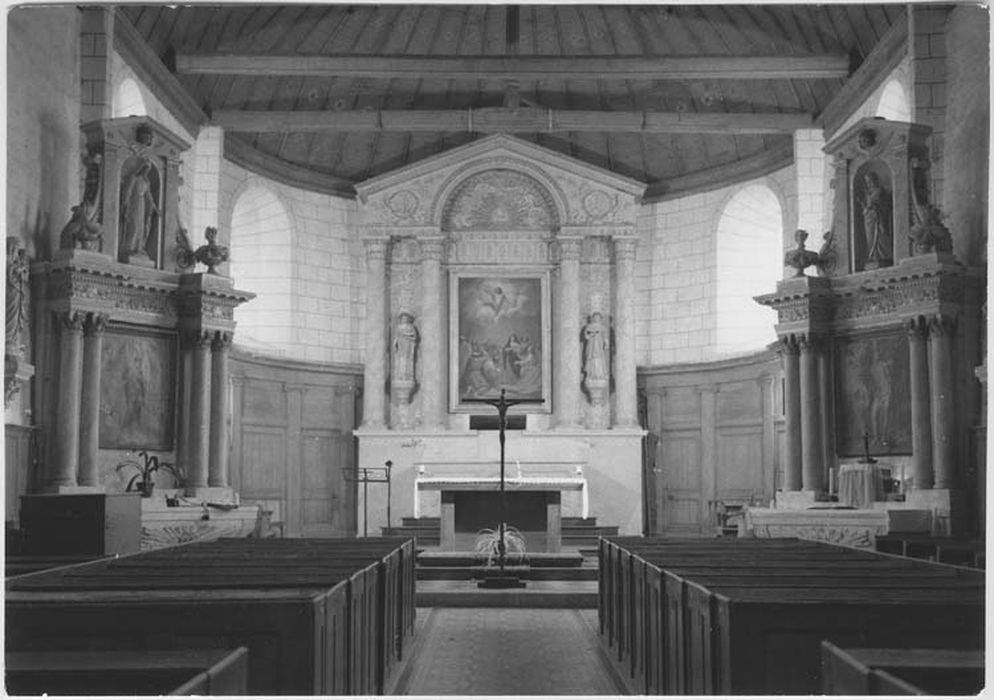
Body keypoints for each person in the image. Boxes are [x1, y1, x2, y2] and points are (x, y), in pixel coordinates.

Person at [120, 159, 159, 256]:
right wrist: (125, 204)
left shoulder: (147, 182)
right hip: (133, 203)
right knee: (133, 225)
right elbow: (128, 192)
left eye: (148, 170)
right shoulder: (134, 178)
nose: (147, 172)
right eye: (146, 169)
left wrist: (155, 208)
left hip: (141, 205)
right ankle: (129, 247)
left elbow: (149, 196)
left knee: (141, 227)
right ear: (142, 169)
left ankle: (138, 247)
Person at [861, 172, 892, 269]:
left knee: (880, 237)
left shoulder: (879, 191)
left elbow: (875, 204)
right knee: (870, 239)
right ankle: (874, 256)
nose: (869, 184)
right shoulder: (870, 193)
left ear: (875, 180)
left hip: (878, 219)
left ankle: (884, 256)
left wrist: (868, 207)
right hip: (869, 221)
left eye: (870, 181)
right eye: (867, 182)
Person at [582, 312, 608, 382]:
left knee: (599, 359)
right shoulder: (589, 327)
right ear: (593, 318)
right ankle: (590, 374)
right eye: (595, 317)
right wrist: (592, 334)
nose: (597, 319)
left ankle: (599, 375)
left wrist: (606, 344)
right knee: (591, 359)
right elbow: (586, 337)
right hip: (591, 346)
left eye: (598, 317)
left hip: (599, 346)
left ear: (600, 319)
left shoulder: (602, 327)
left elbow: (605, 337)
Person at [392, 312, 418, 383]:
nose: (404, 319)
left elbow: (414, 336)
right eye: (403, 318)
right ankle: (400, 375)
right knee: (400, 360)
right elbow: (396, 337)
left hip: (408, 346)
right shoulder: (398, 327)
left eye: (406, 318)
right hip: (401, 346)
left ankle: (407, 375)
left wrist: (406, 335)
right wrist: (394, 344)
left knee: (407, 360)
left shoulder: (411, 327)